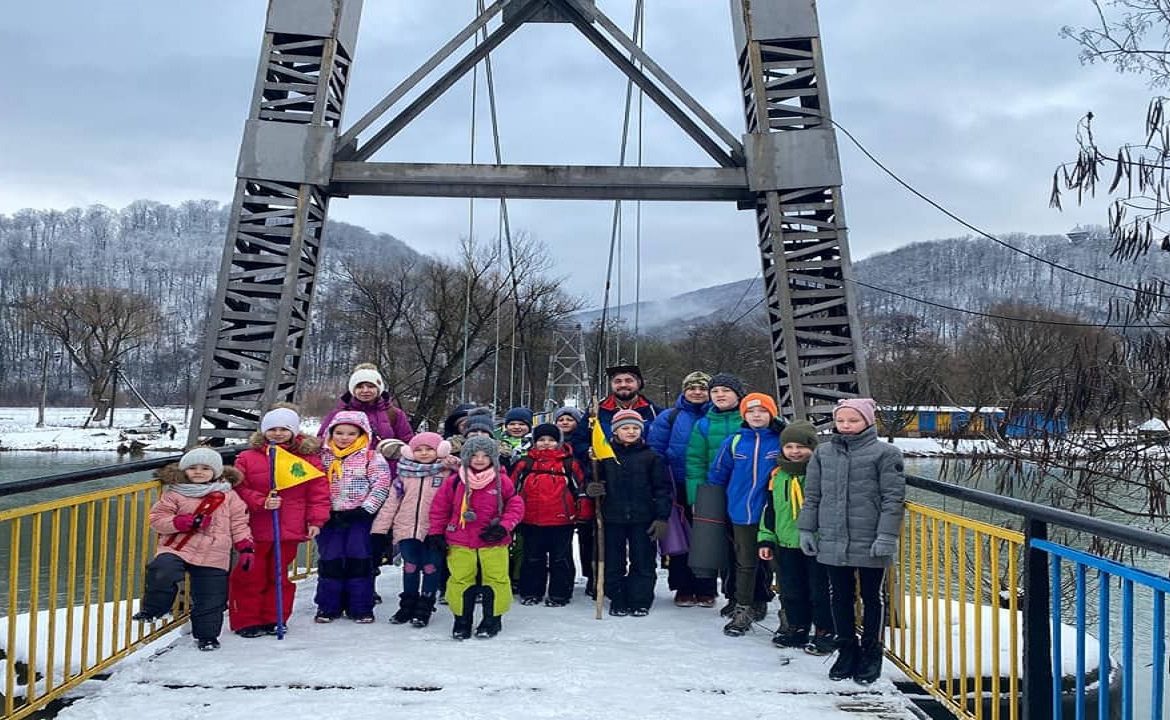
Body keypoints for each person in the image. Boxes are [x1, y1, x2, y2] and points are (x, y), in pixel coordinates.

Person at [798, 398, 905, 685]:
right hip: (832, 536)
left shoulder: (886, 453)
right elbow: (813, 496)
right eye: (841, 420)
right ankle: (846, 649)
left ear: (868, 421)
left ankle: (871, 653)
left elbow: (893, 499)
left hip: (869, 537)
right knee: (839, 595)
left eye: (853, 420)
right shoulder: (823, 454)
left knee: (873, 598)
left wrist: (886, 535)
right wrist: (806, 530)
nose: (845, 426)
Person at [134, 448, 252, 651]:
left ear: (215, 472)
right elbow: (157, 519)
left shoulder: (229, 496)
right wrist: (180, 522)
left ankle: (207, 637)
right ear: (184, 471)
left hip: (215, 552)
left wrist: (246, 546)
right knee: (162, 570)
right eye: (193, 468)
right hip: (178, 546)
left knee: (211, 597)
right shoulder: (174, 493)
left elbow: (239, 523)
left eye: (205, 468)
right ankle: (155, 609)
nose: (198, 472)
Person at [229, 406, 330, 638]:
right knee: (250, 575)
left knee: (278, 575)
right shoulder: (247, 458)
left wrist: (316, 521)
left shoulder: (307, 460)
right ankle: (247, 620)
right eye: (272, 429)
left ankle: (275, 617)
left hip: (288, 528)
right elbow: (238, 488)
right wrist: (261, 501)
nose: (277, 433)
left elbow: (318, 493)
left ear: (293, 431)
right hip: (254, 528)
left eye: (283, 429)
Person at [426, 435, 525, 640]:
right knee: (460, 579)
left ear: (494, 458)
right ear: (465, 457)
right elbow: (439, 509)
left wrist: (504, 527)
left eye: (485, 455)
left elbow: (515, 505)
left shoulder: (502, 481)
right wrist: (436, 532)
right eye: (474, 455)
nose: (479, 459)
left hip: (493, 540)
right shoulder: (455, 482)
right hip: (460, 540)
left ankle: (492, 618)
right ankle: (462, 619)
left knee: (496, 579)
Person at [707, 392, 784, 637]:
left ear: (771, 413)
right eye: (751, 411)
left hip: (775, 513)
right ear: (743, 415)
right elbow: (718, 474)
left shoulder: (782, 439)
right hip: (742, 512)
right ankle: (744, 607)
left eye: (762, 410)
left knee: (780, 565)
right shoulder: (735, 441)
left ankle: (790, 613)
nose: (756, 415)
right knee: (746, 562)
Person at [756, 420, 834, 654]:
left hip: (817, 542)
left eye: (801, 447)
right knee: (791, 588)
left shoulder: (821, 472)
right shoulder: (778, 475)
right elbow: (770, 509)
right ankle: (798, 628)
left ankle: (825, 631)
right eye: (789, 447)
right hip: (786, 541)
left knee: (820, 590)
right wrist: (766, 537)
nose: (795, 452)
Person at [585, 409, 671, 617]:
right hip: (612, 516)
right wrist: (592, 487)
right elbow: (591, 479)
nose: (631, 431)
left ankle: (640, 598)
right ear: (615, 431)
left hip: (643, 517)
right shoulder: (604, 456)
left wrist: (662, 517)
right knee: (613, 560)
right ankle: (618, 597)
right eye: (625, 428)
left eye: (635, 428)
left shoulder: (651, 456)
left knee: (643, 559)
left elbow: (662, 489)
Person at [314, 411, 392, 624]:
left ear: (361, 434)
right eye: (339, 432)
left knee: (359, 559)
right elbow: (312, 485)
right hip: (329, 517)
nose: (344, 437)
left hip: (359, 517)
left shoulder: (371, 456)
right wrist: (319, 512)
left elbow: (381, 484)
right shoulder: (321, 456)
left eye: (351, 433)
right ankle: (328, 605)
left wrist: (366, 509)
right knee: (331, 559)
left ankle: (360, 606)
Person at [372, 431, 452, 627]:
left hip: (434, 532)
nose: (424, 453)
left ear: (439, 451)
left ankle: (425, 605)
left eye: (429, 449)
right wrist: (379, 530)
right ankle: (407, 604)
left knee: (431, 568)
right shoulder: (403, 475)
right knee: (410, 567)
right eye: (419, 450)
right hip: (406, 530)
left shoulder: (448, 473)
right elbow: (391, 503)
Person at [646, 371, 711, 607]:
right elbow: (656, 450)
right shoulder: (669, 417)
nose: (697, 392)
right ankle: (683, 586)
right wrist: (660, 481)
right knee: (680, 536)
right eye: (692, 388)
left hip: (708, 484)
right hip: (677, 483)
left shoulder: (716, 415)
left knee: (706, 538)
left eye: (702, 388)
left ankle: (706, 587)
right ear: (684, 390)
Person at [683, 372, 747, 608]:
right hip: (716, 492)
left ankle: (753, 596)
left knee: (747, 547)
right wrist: (696, 496)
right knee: (725, 546)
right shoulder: (704, 424)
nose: (720, 395)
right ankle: (732, 595)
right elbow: (695, 461)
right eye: (716, 391)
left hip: (748, 492)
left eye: (726, 391)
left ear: (738, 395)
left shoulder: (751, 417)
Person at [512, 423, 584, 606]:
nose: (546, 443)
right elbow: (512, 490)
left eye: (551, 440)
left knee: (561, 559)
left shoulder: (569, 464)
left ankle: (560, 593)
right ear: (534, 442)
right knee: (532, 557)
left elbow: (580, 490)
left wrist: (581, 513)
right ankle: (531, 592)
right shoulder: (525, 463)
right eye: (541, 440)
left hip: (561, 521)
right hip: (530, 519)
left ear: (558, 442)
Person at [318, 363, 415, 459]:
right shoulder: (339, 414)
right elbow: (323, 441)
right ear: (353, 390)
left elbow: (408, 443)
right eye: (359, 387)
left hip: (387, 469)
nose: (365, 390)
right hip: (346, 470)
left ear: (378, 388)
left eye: (370, 386)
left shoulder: (394, 414)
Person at [554, 406, 596, 597]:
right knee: (561, 541)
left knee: (588, 538)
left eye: (569, 419)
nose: (565, 423)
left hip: (581, 494)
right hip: (558, 498)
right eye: (561, 419)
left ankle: (592, 575)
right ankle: (561, 578)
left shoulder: (582, 444)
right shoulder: (550, 442)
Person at [596, 364, 662, 438]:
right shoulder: (597, 412)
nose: (623, 385)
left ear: (638, 384)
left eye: (629, 381)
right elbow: (582, 441)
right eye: (618, 381)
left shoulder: (655, 413)